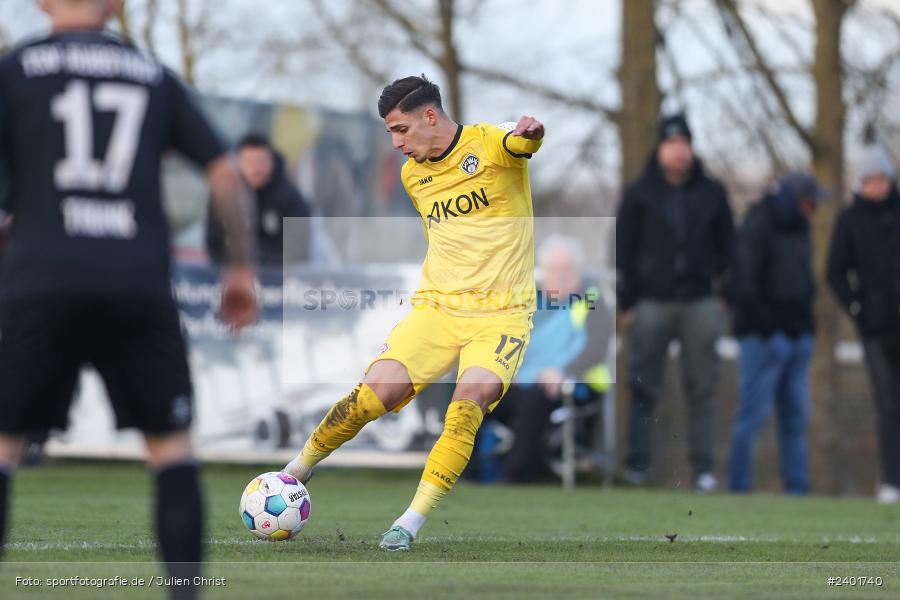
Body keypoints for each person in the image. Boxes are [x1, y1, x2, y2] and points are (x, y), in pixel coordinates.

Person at [0, 1, 258, 597]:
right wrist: (239, 267)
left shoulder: (17, 70)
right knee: (170, 449)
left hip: (41, 277)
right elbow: (223, 170)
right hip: (135, 279)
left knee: (5, 441)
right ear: (115, 5)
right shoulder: (151, 73)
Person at [282, 75, 544, 551]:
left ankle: (408, 523)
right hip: (438, 309)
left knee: (467, 405)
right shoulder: (412, 176)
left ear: (429, 116)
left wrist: (530, 133)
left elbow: (521, 142)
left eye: (401, 129)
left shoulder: (490, 146)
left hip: (502, 314)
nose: (397, 143)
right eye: (390, 133)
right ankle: (294, 472)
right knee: (371, 397)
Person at [616, 113, 734, 492]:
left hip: (700, 302)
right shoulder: (638, 193)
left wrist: (723, 294)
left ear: (691, 148)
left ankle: (703, 470)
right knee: (642, 386)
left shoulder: (713, 193)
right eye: (671, 144)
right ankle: (636, 466)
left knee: (702, 387)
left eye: (684, 144)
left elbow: (730, 249)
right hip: (650, 303)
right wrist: (628, 302)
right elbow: (622, 250)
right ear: (659, 149)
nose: (678, 152)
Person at [479, 235, 612, 483]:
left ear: (579, 272)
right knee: (476, 394)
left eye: (566, 269)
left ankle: (513, 477)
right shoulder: (529, 301)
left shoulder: (592, 300)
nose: (560, 275)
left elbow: (597, 348)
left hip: (573, 385)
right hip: (521, 381)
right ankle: (465, 475)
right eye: (554, 269)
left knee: (536, 398)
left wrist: (564, 371)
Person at [727, 173, 824, 495]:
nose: (814, 209)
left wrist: (807, 327)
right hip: (763, 337)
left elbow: (804, 283)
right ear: (796, 198)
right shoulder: (758, 223)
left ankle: (798, 488)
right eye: (810, 202)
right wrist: (769, 328)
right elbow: (744, 283)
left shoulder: (801, 227)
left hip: (798, 337)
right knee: (752, 416)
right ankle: (738, 488)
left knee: (796, 420)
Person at [827, 143, 900, 504]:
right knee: (888, 406)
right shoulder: (849, 220)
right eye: (870, 180)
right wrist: (857, 307)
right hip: (874, 329)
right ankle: (891, 481)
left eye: (882, 179)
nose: (877, 187)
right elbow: (834, 272)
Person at [206, 133, 311, 266]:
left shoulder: (291, 198)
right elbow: (214, 243)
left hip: (277, 279)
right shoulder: (225, 194)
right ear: (238, 162)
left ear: (272, 161)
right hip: (232, 276)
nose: (255, 169)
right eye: (249, 162)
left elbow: (297, 252)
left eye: (261, 162)